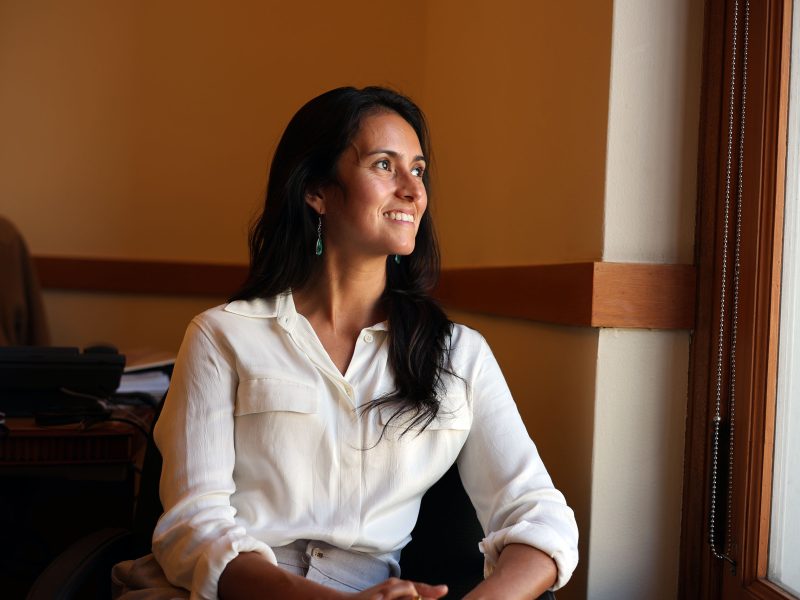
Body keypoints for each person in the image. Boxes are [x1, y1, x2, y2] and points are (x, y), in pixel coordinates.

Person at [125, 86, 578, 599]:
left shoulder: (461, 354)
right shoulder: (222, 336)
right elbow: (193, 529)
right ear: (317, 189)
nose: (412, 189)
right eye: (384, 165)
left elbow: (541, 515)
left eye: (419, 169)